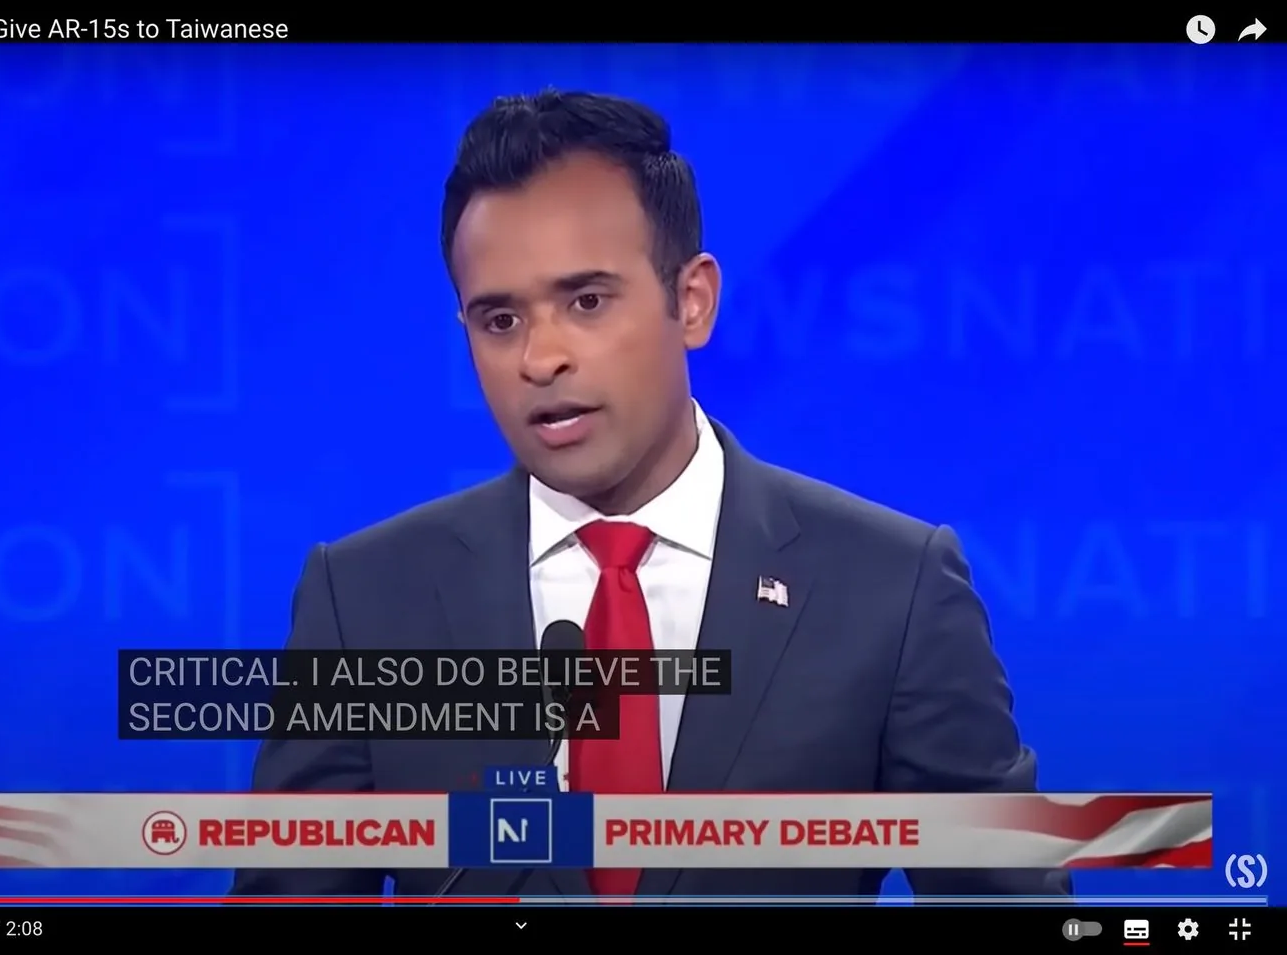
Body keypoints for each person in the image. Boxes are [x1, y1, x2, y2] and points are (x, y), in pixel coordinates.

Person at [233, 89, 1069, 899]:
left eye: (587, 301)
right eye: (500, 321)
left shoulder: (891, 588)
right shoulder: (366, 601)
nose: (541, 359)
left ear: (692, 301)